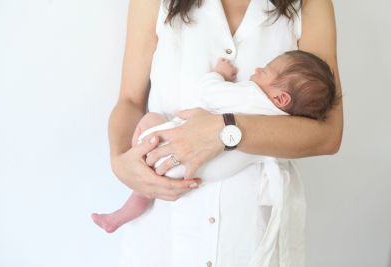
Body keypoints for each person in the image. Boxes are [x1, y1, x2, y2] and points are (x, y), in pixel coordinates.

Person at [109, 0, 343, 266]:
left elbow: (328, 133)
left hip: (250, 228)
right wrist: (119, 162)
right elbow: (129, 100)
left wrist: (224, 130)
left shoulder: (311, 3)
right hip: (165, 223)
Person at [92, 50, 338, 234]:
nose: (258, 69)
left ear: (281, 97)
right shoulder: (285, 127)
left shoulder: (251, 94)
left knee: (152, 119)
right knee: (151, 181)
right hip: (198, 174)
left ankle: (128, 206)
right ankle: (132, 204)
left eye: (267, 70)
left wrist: (218, 75)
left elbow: (209, 93)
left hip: (167, 147)